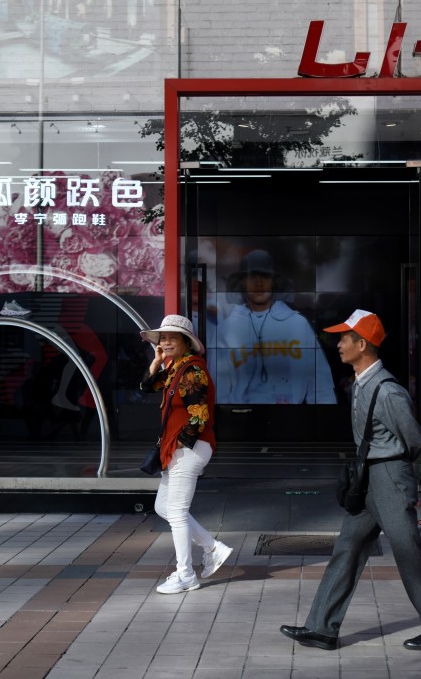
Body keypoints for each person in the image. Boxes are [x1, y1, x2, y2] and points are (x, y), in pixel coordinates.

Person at [280, 309, 421, 651]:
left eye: (344, 338)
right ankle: (322, 628)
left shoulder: (388, 391)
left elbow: (415, 439)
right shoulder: (360, 384)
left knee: (408, 552)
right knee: (347, 548)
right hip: (368, 479)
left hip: (389, 478)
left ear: (362, 344)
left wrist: (394, 472)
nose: (338, 344)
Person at [139, 314, 232, 594]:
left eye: (171, 338)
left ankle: (186, 575)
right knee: (163, 508)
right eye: (162, 338)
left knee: (177, 513)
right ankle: (211, 547)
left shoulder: (193, 371)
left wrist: (180, 444)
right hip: (180, 448)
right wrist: (156, 362)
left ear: (186, 343)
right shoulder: (175, 368)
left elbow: (199, 415)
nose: (165, 342)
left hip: (188, 447)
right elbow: (147, 386)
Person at [217, 249, 336, 404]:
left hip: (289, 419)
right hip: (242, 419)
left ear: (274, 281)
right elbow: (219, 386)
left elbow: (320, 382)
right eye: (252, 276)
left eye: (265, 276)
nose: (259, 283)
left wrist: (322, 422)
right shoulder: (227, 329)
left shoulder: (298, 325)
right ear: (242, 283)